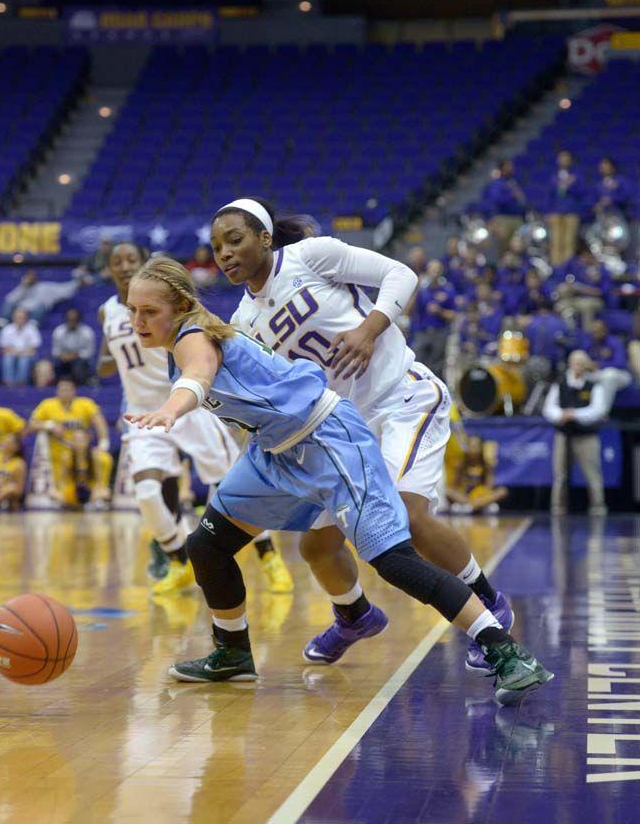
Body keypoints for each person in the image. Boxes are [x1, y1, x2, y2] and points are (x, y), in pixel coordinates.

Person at [124, 254, 552, 704]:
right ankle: (232, 653)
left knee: (394, 560)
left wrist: (170, 410)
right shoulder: (205, 333)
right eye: (133, 310)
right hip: (274, 451)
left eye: (149, 311)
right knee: (207, 545)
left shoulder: (194, 338)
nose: (138, 320)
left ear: (180, 308)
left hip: (327, 439)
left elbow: (198, 376)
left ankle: (506, 651)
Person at [212, 198, 515, 676]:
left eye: (235, 240)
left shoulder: (311, 255)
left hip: (401, 397)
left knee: (408, 518)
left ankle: (491, 607)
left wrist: (369, 330)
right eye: (216, 249)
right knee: (316, 548)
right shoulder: (242, 324)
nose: (225, 254)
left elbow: (402, 275)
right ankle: (354, 616)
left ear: (265, 238)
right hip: (344, 432)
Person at [97, 241, 292, 595]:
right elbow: (103, 361)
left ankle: (268, 555)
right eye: (117, 261)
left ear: (145, 266)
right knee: (145, 493)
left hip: (186, 404)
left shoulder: (173, 312)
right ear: (109, 269)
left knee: (231, 486)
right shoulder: (107, 313)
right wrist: (122, 355)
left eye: (131, 259)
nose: (124, 266)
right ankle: (178, 559)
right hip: (144, 412)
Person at [28, 377, 113, 509]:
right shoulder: (47, 405)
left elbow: (99, 422)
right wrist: (49, 425)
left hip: (84, 453)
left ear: (74, 391)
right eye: (62, 389)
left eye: (68, 389)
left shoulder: (85, 404)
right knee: (59, 490)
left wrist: (103, 444)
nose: (65, 392)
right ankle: (71, 500)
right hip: (59, 455)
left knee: (104, 459)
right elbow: (32, 424)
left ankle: (96, 498)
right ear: (57, 391)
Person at [543, 350, 607, 517]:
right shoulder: (561, 383)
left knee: (593, 475)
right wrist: (560, 415)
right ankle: (557, 508)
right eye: (575, 363)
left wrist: (574, 414)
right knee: (560, 475)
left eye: (581, 363)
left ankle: (598, 507)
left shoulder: (594, 385)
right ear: (570, 364)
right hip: (563, 435)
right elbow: (549, 408)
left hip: (587, 436)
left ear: (586, 365)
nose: (578, 366)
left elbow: (598, 410)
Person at [409, 259, 456, 378]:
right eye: (432, 269)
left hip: (440, 332)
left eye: (437, 269)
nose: (434, 272)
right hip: (422, 332)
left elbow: (453, 315)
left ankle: (437, 393)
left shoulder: (448, 290)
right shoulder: (422, 291)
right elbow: (408, 311)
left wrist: (440, 311)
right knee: (417, 363)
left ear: (441, 271)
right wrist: (416, 289)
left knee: (437, 367)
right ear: (427, 271)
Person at [577, 318, 632, 413]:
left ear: (605, 330)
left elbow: (621, 364)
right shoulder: (589, 343)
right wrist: (585, 366)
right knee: (576, 372)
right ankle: (576, 407)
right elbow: (582, 358)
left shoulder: (614, 342)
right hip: (597, 374)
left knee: (609, 375)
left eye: (598, 330)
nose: (596, 333)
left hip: (620, 375)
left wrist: (600, 365)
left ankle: (603, 412)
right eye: (593, 331)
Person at [545, 150, 589, 265]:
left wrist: (570, 186)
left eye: (566, 158)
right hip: (556, 213)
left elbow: (582, 193)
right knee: (555, 241)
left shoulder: (577, 176)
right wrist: (549, 212)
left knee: (569, 241)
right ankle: (556, 266)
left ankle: (567, 266)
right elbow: (549, 195)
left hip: (571, 213)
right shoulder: (553, 177)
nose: (564, 160)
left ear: (571, 160)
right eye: (562, 158)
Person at [446, 435, 508, 515]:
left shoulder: (486, 466)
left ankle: (472, 507)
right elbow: (455, 486)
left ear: (481, 449)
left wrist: (481, 497)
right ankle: (474, 506)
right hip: (465, 498)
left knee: (503, 491)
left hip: (481, 497)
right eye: (470, 446)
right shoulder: (461, 465)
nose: (473, 450)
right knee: (448, 491)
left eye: (475, 447)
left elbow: (489, 487)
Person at [0, 269, 86, 324]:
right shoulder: (21, 288)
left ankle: (33, 324)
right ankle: (2, 322)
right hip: (20, 312)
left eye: (33, 276)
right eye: (29, 276)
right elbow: (10, 300)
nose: (31, 278)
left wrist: (77, 283)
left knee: (40, 306)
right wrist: (23, 286)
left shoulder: (45, 287)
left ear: (36, 278)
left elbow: (64, 289)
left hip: (35, 312)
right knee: (9, 303)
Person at [483, 160, 527, 249]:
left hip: (517, 218)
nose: (511, 168)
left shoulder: (514, 182)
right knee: (503, 246)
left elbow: (522, 199)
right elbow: (497, 200)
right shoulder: (497, 183)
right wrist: (511, 195)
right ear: (502, 168)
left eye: (511, 166)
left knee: (517, 246)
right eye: (508, 166)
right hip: (503, 219)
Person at [51, 308, 96, 385]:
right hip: (63, 359)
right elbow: (55, 351)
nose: (72, 322)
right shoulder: (58, 331)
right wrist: (62, 355)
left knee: (79, 366)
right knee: (55, 364)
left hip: (80, 360)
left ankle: (81, 387)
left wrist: (75, 355)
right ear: (65, 319)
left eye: (74, 320)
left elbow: (89, 352)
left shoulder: (87, 332)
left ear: (79, 320)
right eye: (69, 319)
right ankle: (57, 386)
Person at [0, 308, 41, 386]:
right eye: (18, 317)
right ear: (13, 318)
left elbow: (34, 348)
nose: (20, 319)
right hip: (11, 353)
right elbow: (5, 348)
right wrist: (16, 352)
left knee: (23, 360)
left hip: (28, 354)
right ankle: (9, 383)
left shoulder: (32, 329)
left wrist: (21, 353)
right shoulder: (7, 329)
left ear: (26, 318)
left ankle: (21, 383)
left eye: (22, 317)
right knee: (7, 358)